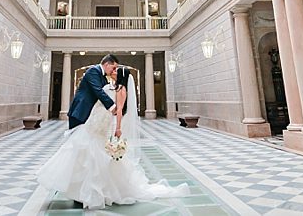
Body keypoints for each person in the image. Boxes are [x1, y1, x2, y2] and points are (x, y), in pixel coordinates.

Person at [37, 65, 189, 209]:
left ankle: (98, 192)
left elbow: (120, 111)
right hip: (94, 122)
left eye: (117, 70)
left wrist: (117, 128)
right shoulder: (111, 85)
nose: (114, 70)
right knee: (83, 153)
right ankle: (82, 192)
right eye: (114, 68)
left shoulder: (121, 90)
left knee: (97, 156)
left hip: (102, 125)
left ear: (121, 75)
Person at [67, 54, 119, 130]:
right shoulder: (93, 70)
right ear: (107, 64)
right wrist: (113, 107)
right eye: (113, 68)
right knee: (75, 138)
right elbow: (98, 90)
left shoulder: (103, 78)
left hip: (89, 113)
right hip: (80, 111)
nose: (113, 71)